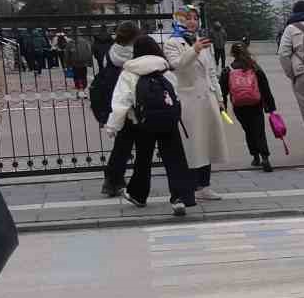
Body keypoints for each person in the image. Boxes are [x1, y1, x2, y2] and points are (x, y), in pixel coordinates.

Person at [103, 35, 198, 216]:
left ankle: (139, 195)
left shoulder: (129, 72)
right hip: (168, 121)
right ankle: (180, 197)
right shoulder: (165, 69)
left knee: (143, 159)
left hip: (142, 122)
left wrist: (113, 126)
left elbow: (121, 101)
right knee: (175, 159)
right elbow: (175, 95)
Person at [166, 31, 228, 201]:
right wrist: (194, 50)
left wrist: (219, 97)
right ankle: (193, 185)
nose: (192, 22)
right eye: (188, 18)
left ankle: (205, 185)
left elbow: (211, 72)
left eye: (195, 18)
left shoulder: (201, 41)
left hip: (207, 98)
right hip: (189, 100)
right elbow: (177, 65)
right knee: (193, 144)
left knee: (207, 142)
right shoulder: (173, 43)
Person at [95, 22, 140, 197]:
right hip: (133, 101)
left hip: (115, 101)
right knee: (133, 143)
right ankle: (113, 179)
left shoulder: (110, 52)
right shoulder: (136, 55)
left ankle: (114, 179)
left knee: (123, 143)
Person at [220, 42, 277, 173]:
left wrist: (223, 107)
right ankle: (265, 157)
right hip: (255, 104)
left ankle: (255, 156)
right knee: (259, 130)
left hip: (239, 106)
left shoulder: (228, 69)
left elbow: (222, 90)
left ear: (232, 54)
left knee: (248, 131)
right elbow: (264, 87)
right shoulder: (255, 67)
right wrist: (270, 106)